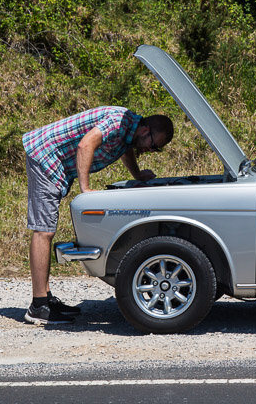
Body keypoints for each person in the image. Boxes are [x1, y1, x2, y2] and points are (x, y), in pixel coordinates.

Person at [23, 106, 174, 325]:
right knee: (44, 230)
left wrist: (137, 174)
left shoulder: (128, 132)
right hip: (45, 155)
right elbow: (86, 144)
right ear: (144, 130)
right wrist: (85, 189)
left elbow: (125, 149)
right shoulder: (117, 121)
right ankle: (38, 306)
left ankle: (45, 299)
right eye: (153, 145)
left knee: (46, 230)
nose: (150, 151)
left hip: (53, 159)